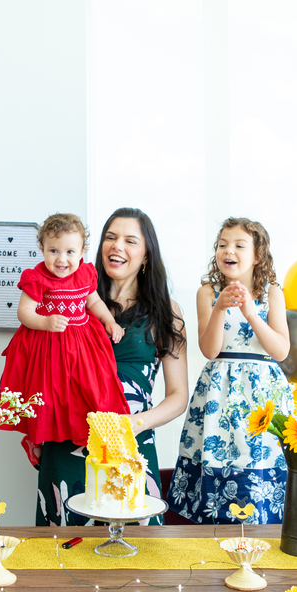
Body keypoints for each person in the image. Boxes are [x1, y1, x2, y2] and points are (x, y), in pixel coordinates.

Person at [0, 213, 130, 526]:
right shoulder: (36, 278)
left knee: (91, 390)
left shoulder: (84, 273)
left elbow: (93, 302)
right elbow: (24, 311)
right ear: (42, 249)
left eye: (70, 251)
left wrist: (109, 321)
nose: (62, 259)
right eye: (54, 251)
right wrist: (45, 321)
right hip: (49, 347)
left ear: (82, 251)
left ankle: (89, 436)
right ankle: (38, 438)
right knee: (49, 396)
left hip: (83, 344)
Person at [169, 217, 291, 524]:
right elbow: (209, 350)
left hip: (262, 394)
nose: (229, 250)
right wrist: (220, 308)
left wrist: (251, 313)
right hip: (219, 391)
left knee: (259, 456)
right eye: (222, 244)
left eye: (239, 245)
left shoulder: (272, 293)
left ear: (258, 255)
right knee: (219, 455)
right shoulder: (208, 292)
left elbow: (280, 350)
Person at [95, 207, 189, 526]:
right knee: (60, 546)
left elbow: (178, 395)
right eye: (110, 237)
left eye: (130, 240)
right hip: (69, 439)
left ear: (146, 255)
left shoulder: (166, 312)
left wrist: (135, 425)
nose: (117, 246)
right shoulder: (75, 302)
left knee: (137, 544)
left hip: (133, 444)